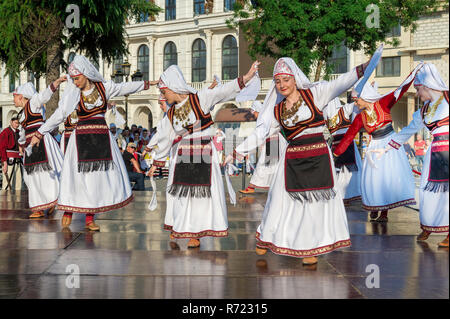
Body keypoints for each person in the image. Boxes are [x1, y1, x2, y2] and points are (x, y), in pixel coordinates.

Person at [224, 57, 370, 265]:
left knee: (315, 205)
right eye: (278, 81)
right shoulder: (277, 111)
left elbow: (340, 83)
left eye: (285, 79)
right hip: (292, 160)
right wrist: (237, 152)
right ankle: (265, 236)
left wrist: (362, 68)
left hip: (319, 157)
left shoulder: (315, 94)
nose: (282, 85)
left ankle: (308, 248)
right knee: (277, 202)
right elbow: (260, 133)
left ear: (294, 79)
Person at [29, 55, 157, 231]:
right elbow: (59, 115)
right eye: (73, 79)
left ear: (86, 74)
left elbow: (124, 87)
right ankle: (69, 210)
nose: (75, 82)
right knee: (75, 177)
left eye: (77, 78)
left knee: (96, 179)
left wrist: (148, 84)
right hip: (80, 139)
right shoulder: (74, 94)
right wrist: (39, 133)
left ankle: (90, 217)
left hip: (101, 138)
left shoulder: (103, 88)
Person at [147, 62, 260, 248]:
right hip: (181, 156)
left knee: (200, 197)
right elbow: (166, 138)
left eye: (164, 91)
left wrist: (246, 78)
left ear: (173, 88)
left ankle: (196, 234)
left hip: (203, 154)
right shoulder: (171, 113)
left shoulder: (200, 99)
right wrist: (156, 163)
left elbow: (223, 91)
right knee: (180, 195)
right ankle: (180, 227)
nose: (162, 96)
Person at [333, 64, 424, 222]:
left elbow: (400, 89)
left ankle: (384, 213)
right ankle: (375, 206)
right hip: (374, 146)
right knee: (375, 180)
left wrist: (414, 72)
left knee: (387, 178)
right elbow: (348, 137)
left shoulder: (383, 103)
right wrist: (334, 154)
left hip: (390, 144)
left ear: (364, 97)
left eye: (357, 100)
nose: (356, 103)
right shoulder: (360, 117)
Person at [383, 63, 448, 248]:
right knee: (427, 191)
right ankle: (429, 225)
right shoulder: (424, 110)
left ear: (426, 86)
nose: (418, 94)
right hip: (434, 152)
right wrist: (388, 146)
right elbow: (409, 129)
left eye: (418, 89)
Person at [13, 79, 66, 218]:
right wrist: (22, 144)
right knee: (31, 176)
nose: (14, 99)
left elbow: (45, 94)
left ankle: (52, 201)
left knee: (47, 173)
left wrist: (57, 82)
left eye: (15, 96)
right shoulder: (23, 113)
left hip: (42, 141)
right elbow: (23, 133)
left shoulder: (33, 103)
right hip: (30, 145)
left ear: (21, 96)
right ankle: (40, 206)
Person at [324, 97, 362, 205]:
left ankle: (348, 195)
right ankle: (341, 196)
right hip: (336, 143)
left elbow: (356, 103)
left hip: (347, 142)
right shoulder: (326, 115)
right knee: (339, 172)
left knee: (348, 172)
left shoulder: (344, 109)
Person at [240, 100, 279, 194]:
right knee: (269, 167)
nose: (253, 116)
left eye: (254, 113)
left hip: (273, 144)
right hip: (272, 143)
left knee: (265, 166)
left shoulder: (264, 119)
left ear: (257, 111)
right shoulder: (266, 117)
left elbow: (259, 135)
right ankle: (254, 187)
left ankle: (252, 187)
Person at [0, 117, 22, 190]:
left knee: (19, 182)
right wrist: (4, 162)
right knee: (7, 182)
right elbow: (2, 148)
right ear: (11, 122)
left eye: (18, 123)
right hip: (9, 159)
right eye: (15, 123)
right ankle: (5, 200)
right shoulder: (5, 132)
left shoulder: (19, 132)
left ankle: (18, 200)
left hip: (18, 159)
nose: (17, 125)